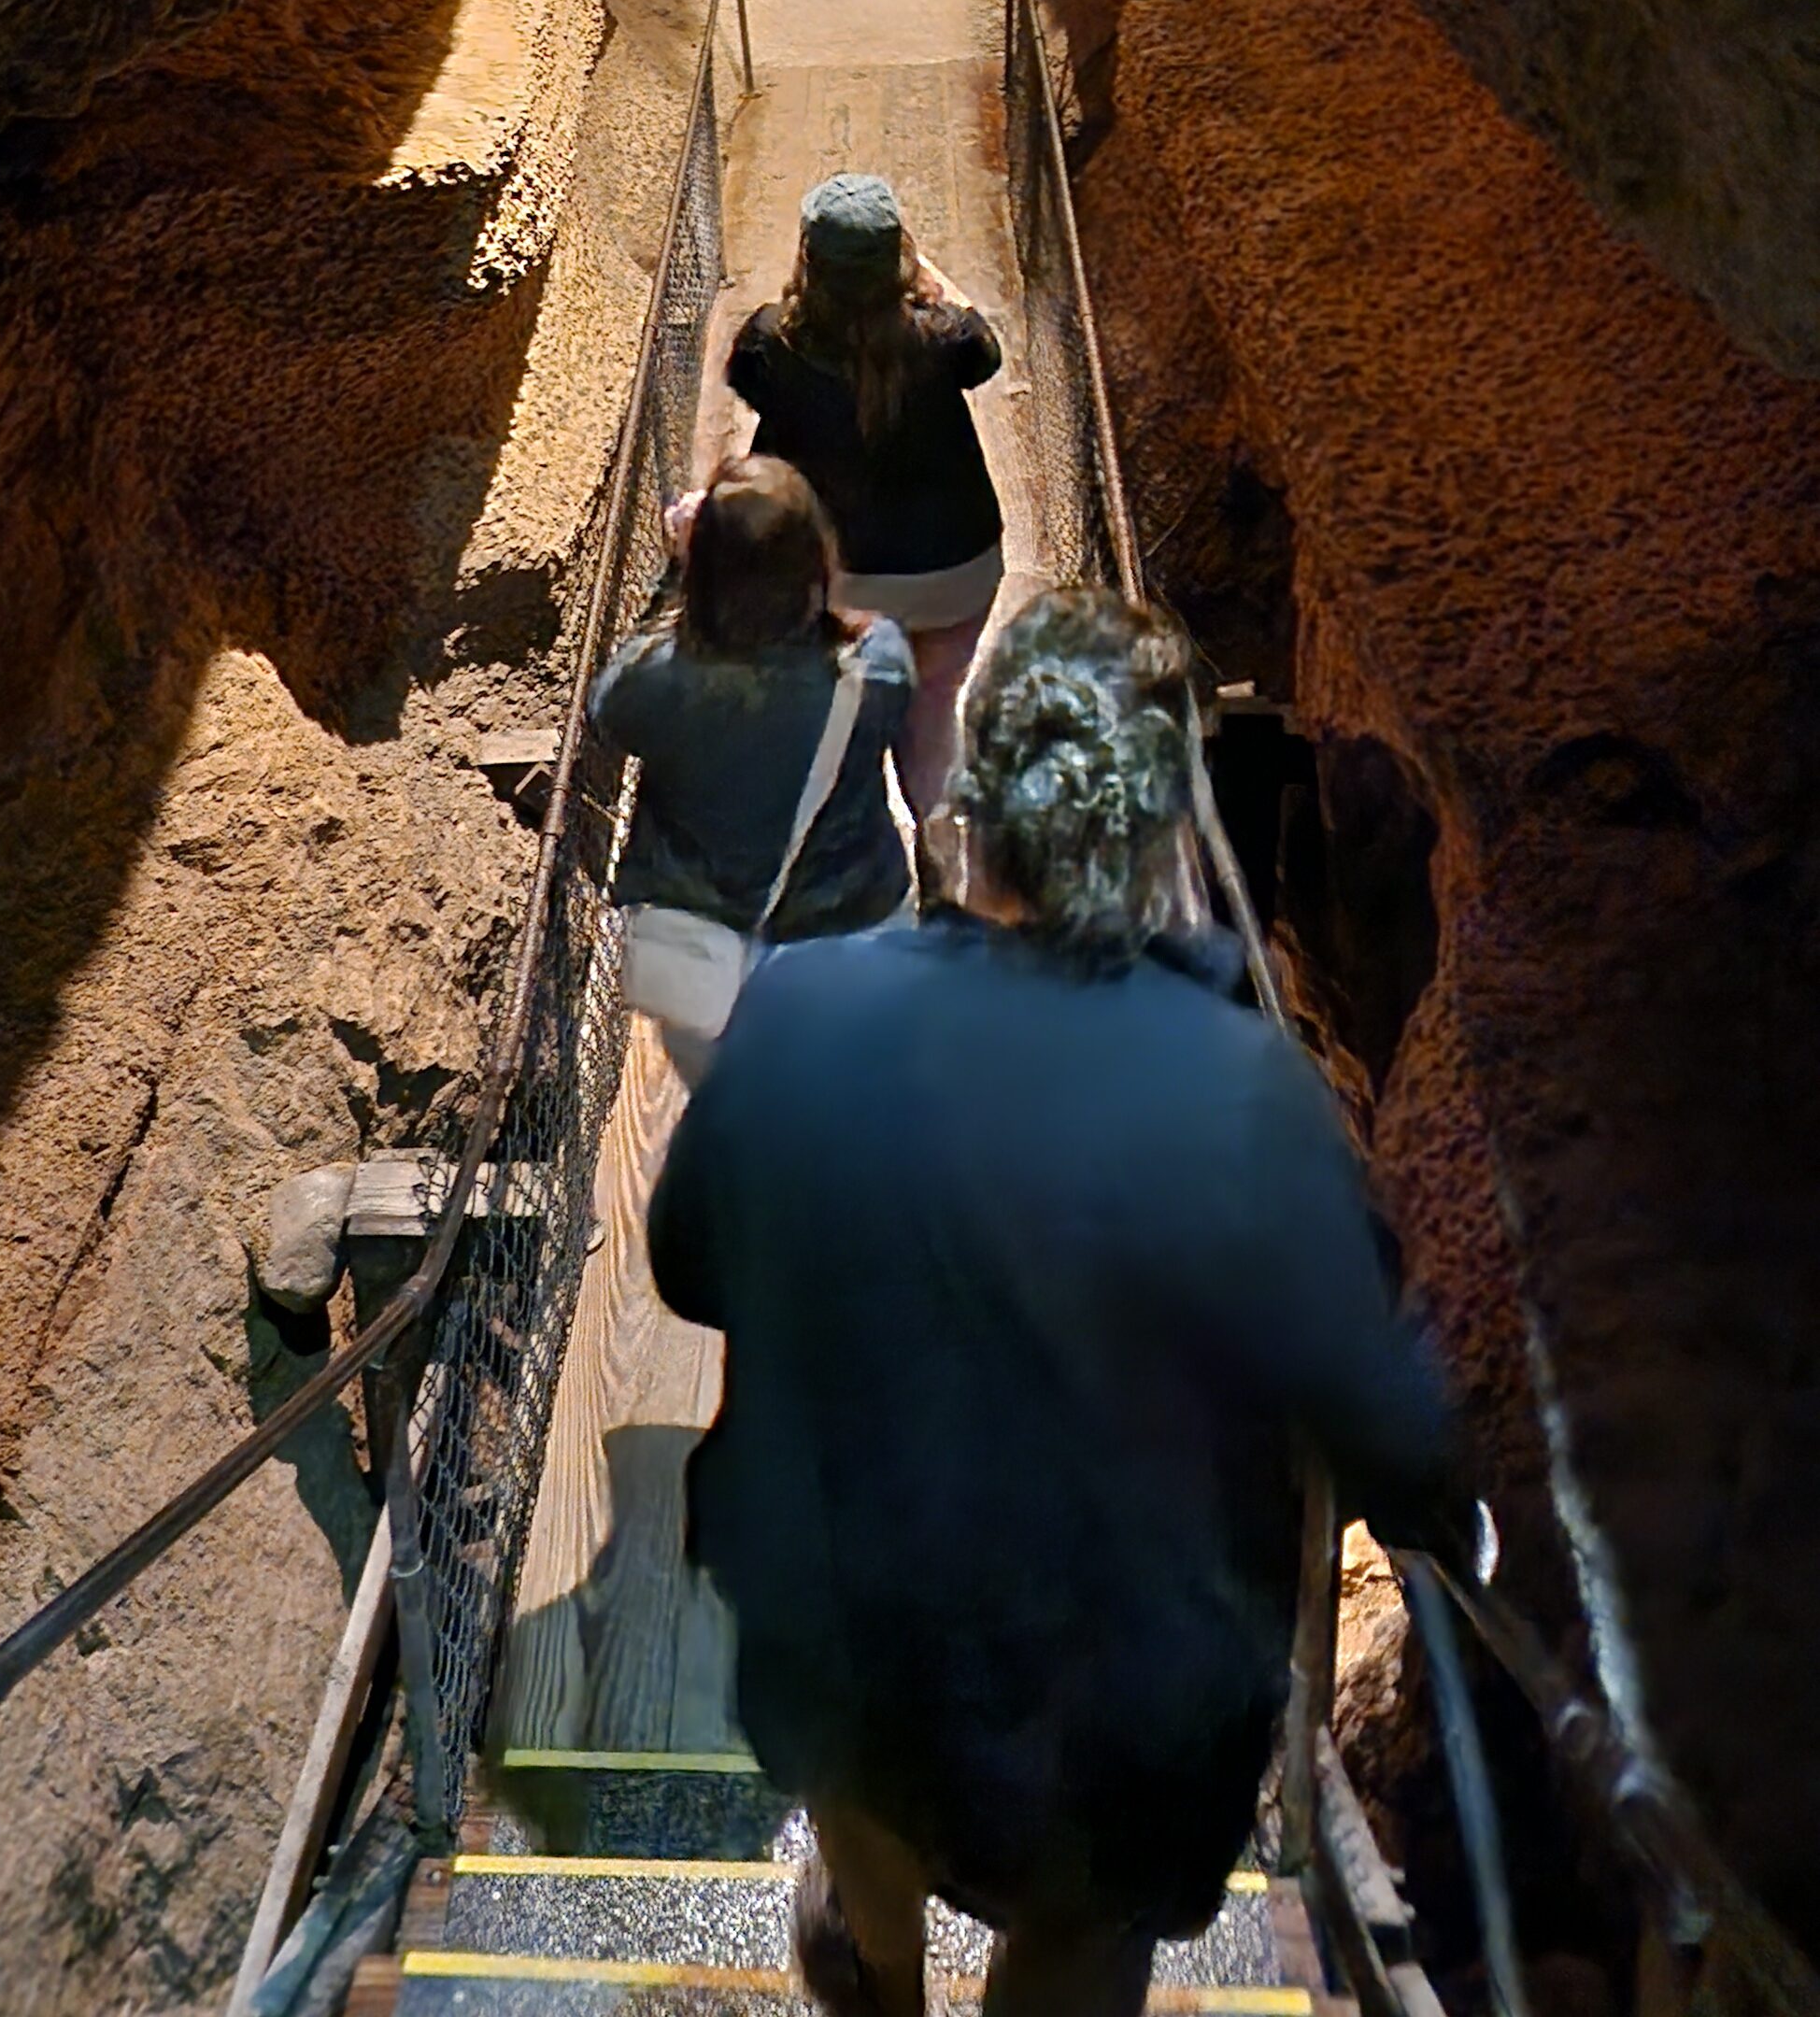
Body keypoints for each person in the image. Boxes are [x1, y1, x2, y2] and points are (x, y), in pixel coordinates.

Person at [648, 589, 1467, 2017]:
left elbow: (688, 1265)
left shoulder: (800, 1015)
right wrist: (1453, 1520)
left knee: (862, 1734)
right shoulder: (1243, 1096)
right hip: (1120, 1702)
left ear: (969, 787)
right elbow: (1384, 1414)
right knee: (1089, 1922)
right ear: (1163, 828)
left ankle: (873, 1953)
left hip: (856, 1630)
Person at [590, 459, 916, 1087]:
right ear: (817, 559)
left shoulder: (662, 683)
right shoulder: (875, 664)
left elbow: (610, 706)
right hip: (853, 936)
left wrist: (682, 572)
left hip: (710, 965)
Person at [726, 175, 1002, 822]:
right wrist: (927, 279)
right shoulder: (942, 337)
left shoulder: (772, 342)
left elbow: (753, 384)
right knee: (932, 709)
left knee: (841, 717)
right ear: (897, 257)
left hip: (834, 582)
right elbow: (983, 349)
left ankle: (858, 856)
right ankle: (943, 851)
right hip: (953, 569)